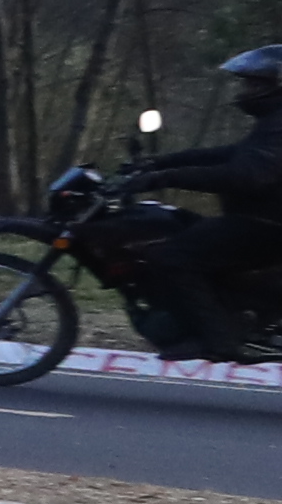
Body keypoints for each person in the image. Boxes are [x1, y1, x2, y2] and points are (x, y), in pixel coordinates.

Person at [113, 43, 282, 334]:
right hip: (260, 221)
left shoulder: (278, 126)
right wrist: (158, 163)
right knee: (179, 230)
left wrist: (164, 178)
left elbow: (244, 175)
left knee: (170, 257)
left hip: (265, 226)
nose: (245, 91)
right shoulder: (272, 124)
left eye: (254, 84)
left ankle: (218, 340)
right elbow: (227, 154)